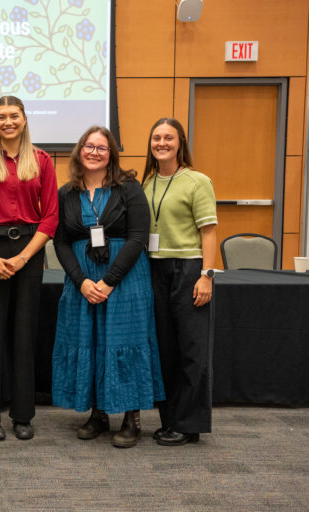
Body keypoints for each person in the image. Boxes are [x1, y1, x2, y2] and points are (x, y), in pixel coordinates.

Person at [51, 126, 165, 448]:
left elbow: (138, 237)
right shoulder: (66, 193)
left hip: (125, 280)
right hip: (82, 282)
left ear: (111, 154)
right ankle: (98, 413)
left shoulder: (128, 187)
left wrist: (109, 280)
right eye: (89, 146)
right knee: (90, 341)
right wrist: (82, 281)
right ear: (79, 151)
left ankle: (131, 417)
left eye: (102, 148)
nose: (94, 152)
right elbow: (60, 242)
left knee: (124, 341)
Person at [0, 96, 58, 441]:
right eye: (1, 116)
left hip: (29, 250)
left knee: (24, 334)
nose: (8, 122)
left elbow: (51, 216)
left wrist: (23, 258)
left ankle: (23, 415)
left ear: (24, 119)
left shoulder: (42, 160)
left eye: (14, 115)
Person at [142, 118, 217, 446]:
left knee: (192, 350)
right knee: (166, 350)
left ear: (180, 143)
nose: (161, 143)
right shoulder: (147, 182)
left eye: (168, 138)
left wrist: (206, 275)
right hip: (155, 268)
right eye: (156, 138)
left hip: (189, 269)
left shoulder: (198, 181)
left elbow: (209, 232)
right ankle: (171, 420)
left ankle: (190, 424)